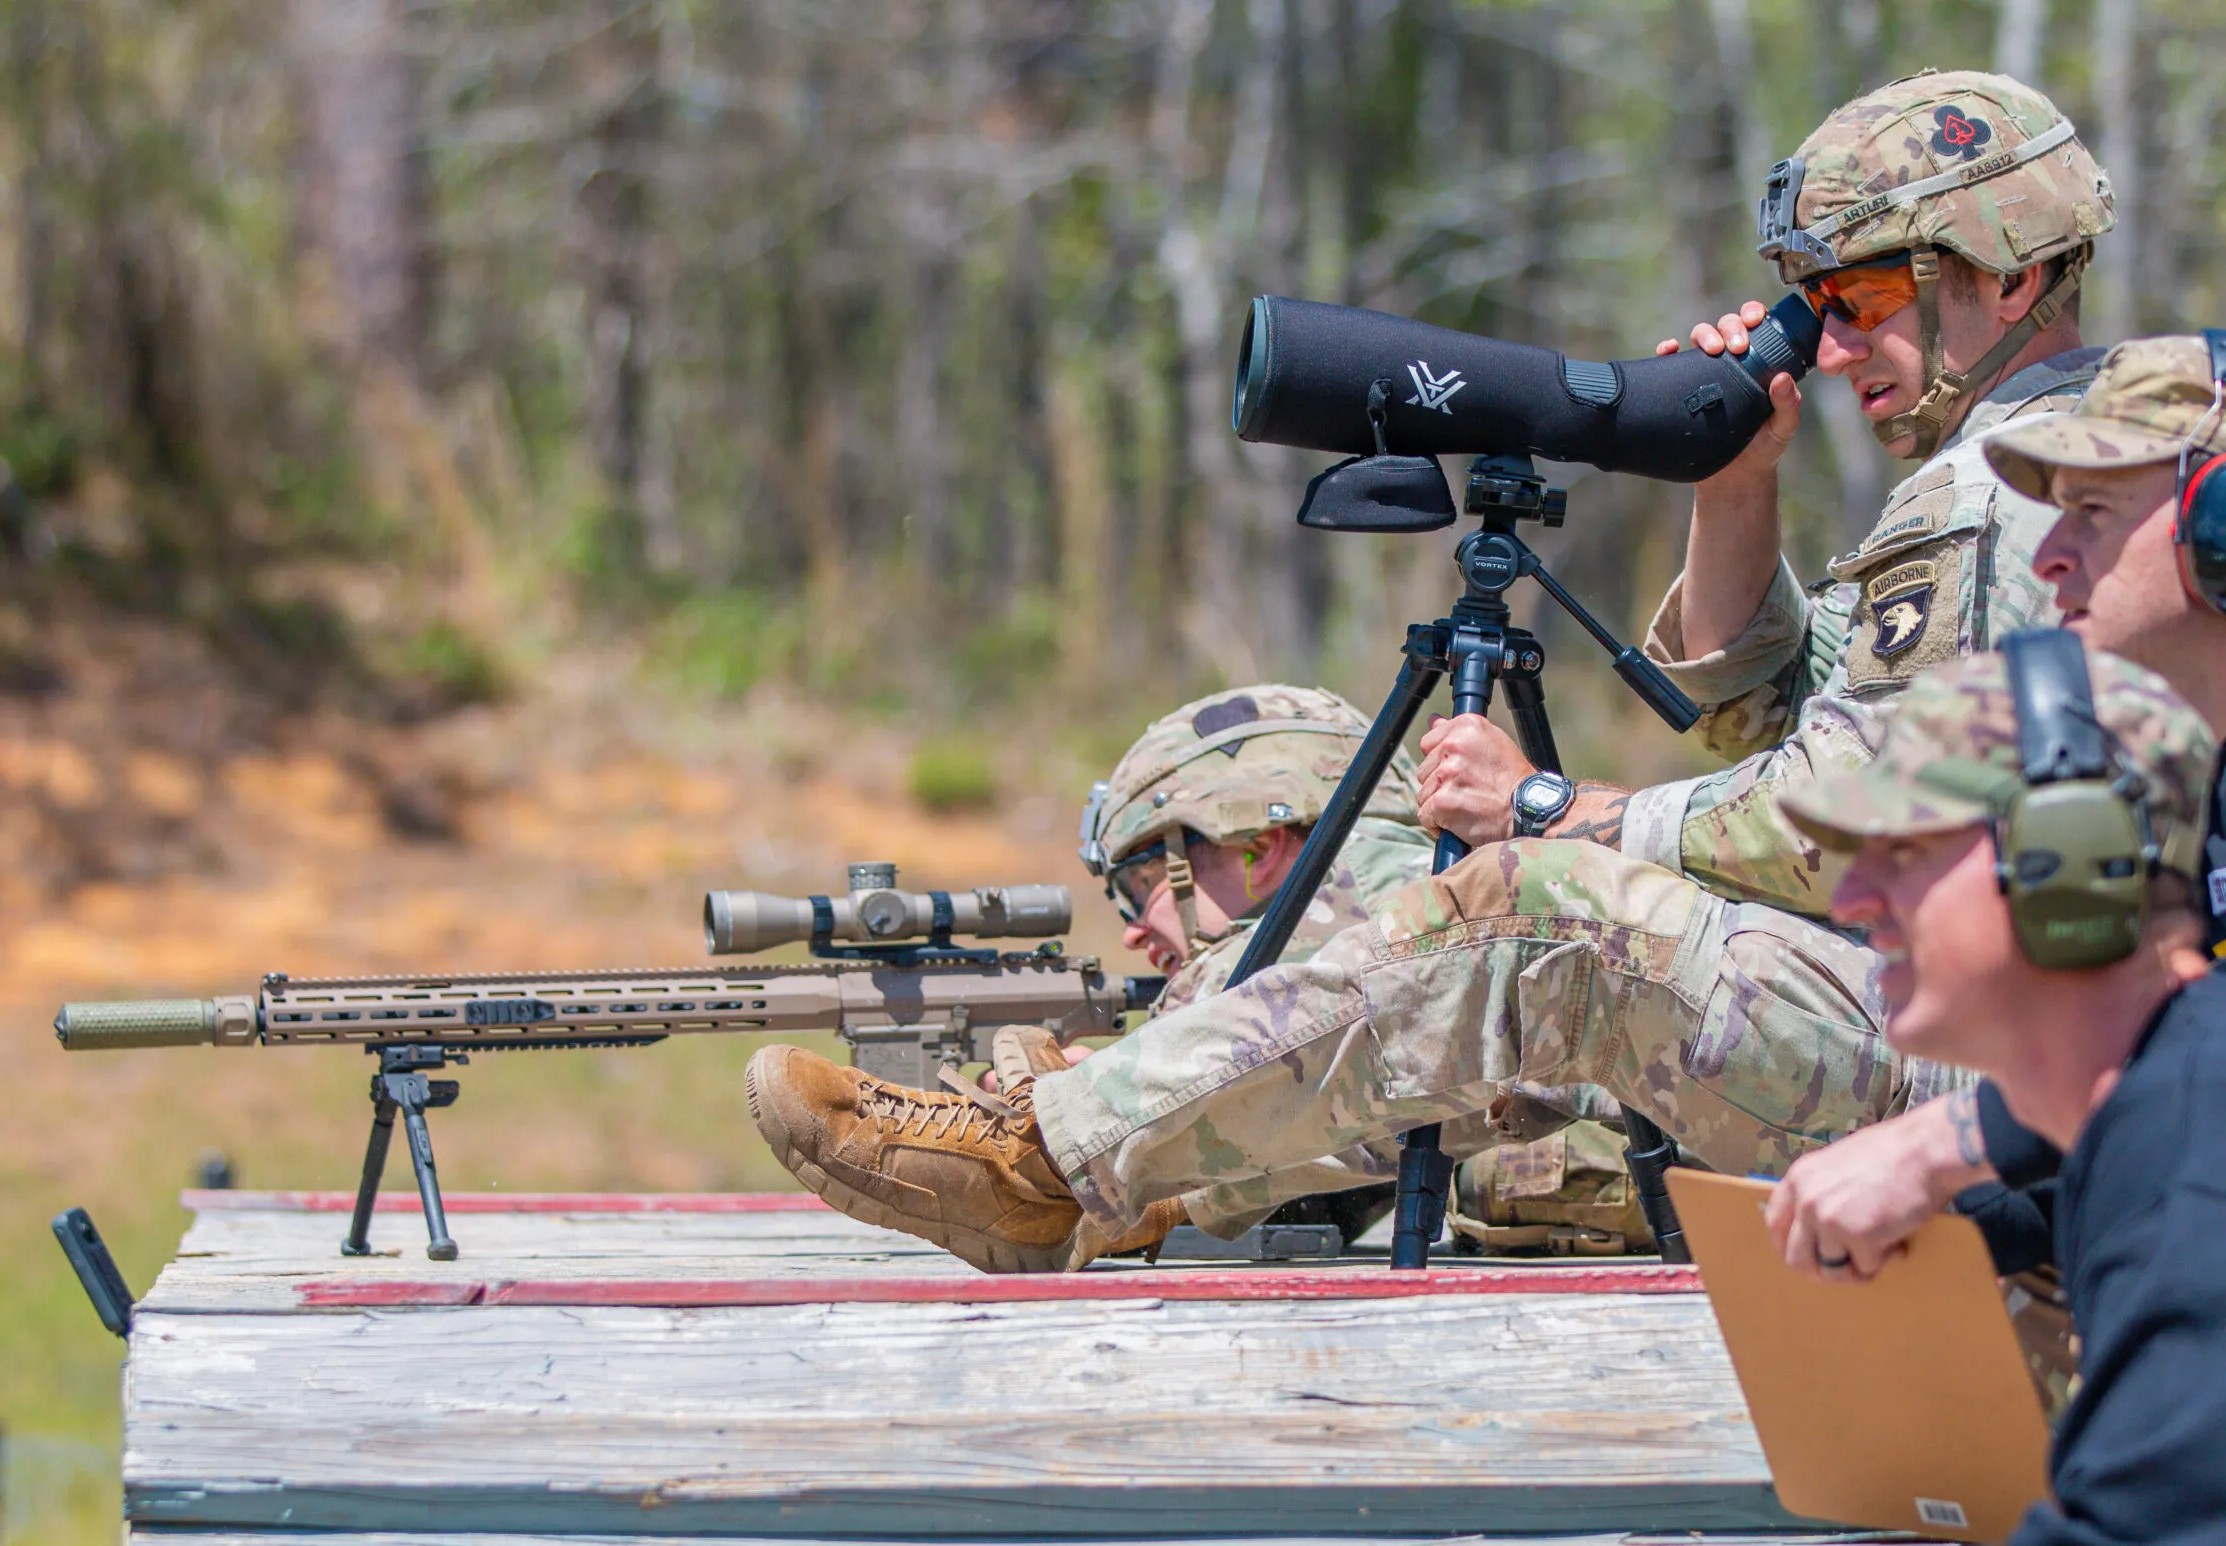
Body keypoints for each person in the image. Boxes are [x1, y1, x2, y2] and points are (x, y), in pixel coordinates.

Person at [744, 71, 2121, 1271]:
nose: (1828, 345)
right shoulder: (2047, 465)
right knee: (1509, 955)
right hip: (1982, 1025)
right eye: (1811, 305)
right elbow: (1760, 715)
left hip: (1998, 1067)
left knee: (1542, 913)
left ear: (2007, 272)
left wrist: (1563, 812)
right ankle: (1107, 1152)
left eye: (1863, 295)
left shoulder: (2010, 486)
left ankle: (1046, 1162)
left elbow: (1837, 822)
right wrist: (1734, 480)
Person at [1763, 334, 2226, 1282]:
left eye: (2092, 512)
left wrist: (1952, 1141)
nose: (2051, 557)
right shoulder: (2182, 771)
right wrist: (1946, 1227)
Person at [1771, 638, 2222, 1542]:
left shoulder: (2190, 1201)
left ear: (2072, 857)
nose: (1852, 900)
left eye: (1905, 849)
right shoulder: (2155, 1121)